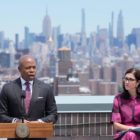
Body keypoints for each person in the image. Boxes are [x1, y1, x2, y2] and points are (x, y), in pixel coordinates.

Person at [0, 55, 58, 140]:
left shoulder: (46, 88)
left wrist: (39, 122)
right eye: (28, 68)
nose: (32, 70)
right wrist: (16, 121)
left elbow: (53, 115)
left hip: (38, 137)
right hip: (15, 137)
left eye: (34, 67)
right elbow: (1, 115)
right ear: (19, 69)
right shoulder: (7, 88)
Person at [111, 68, 140, 140]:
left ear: (138, 83)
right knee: (130, 135)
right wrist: (133, 129)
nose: (127, 82)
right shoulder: (118, 99)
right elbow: (116, 125)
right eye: (126, 79)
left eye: (131, 79)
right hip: (123, 135)